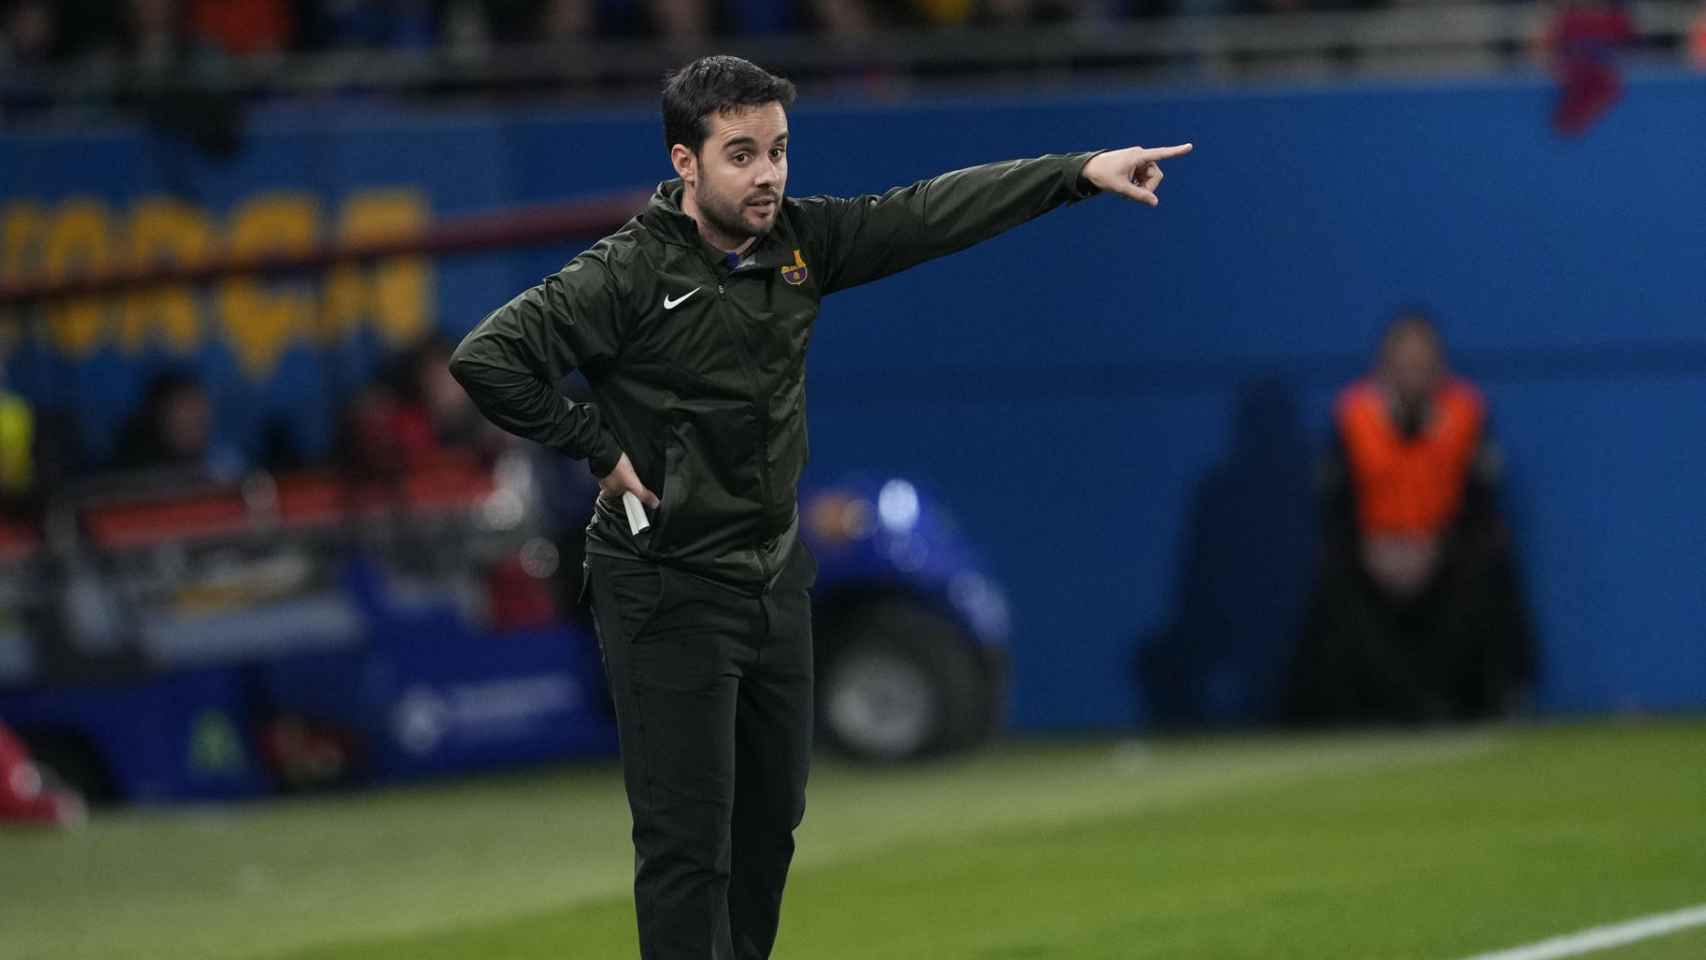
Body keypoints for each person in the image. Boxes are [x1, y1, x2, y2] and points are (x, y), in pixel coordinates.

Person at [450, 54, 1191, 959]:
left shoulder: (803, 244)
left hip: (771, 574)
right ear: (686, 165)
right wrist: (596, 446)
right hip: (663, 584)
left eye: (778, 151)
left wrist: (1073, 175)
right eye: (741, 155)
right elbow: (486, 358)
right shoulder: (624, 275)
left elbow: (927, 214)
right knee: (687, 847)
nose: (767, 175)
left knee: (769, 829)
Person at [1290, 312, 1533, 725]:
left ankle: (1480, 701)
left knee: (1489, 565)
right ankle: (1381, 707)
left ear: (1439, 368)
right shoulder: (1354, 418)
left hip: (1443, 555)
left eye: (1422, 364)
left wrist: (1434, 548)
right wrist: (1374, 552)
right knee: (1332, 579)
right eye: (1404, 364)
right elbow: (1336, 508)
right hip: (1372, 558)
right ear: (1384, 368)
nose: (1413, 374)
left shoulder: (1465, 414)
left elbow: (1481, 504)